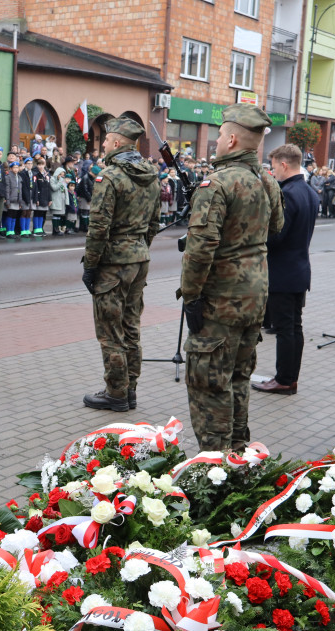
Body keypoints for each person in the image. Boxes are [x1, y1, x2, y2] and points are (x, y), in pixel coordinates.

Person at [179, 104, 284, 452]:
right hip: (255, 297)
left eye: (221, 135)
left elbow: (199, 250)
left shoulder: (218, 183)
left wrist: (191, 296)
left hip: (220, 301)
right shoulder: (266, 179)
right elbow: (278, 228)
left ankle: (215, 463)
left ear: (233, 139)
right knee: (239, 377)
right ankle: (237, 452)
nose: (217, 141)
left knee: (209, 381)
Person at [80, 116, 160, 412]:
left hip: (113, 263)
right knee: (130, 327)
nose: (102, 146)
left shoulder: (110, 176)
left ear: (116, 143)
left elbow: (98, 227)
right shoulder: (151, 174)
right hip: (139, 258)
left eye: (105, 141)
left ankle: (116, 393)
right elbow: (154, 222)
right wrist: (139, 247)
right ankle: (130, 390)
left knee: (111, 331)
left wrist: (91, 265)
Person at [252, 144, 318, 396]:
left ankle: (284, 379)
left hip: (282, 272)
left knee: (285, 330)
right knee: (294, 328)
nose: (272, 173)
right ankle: (290, 378)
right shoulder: (309, 192)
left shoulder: (288, 193)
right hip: (298, 270)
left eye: (273, 167)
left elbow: (277, 236)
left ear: (283, 164)